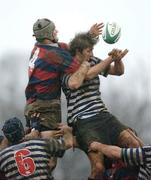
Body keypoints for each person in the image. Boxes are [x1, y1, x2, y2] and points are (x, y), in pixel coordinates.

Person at [61, 32, 143, 180]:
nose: (92, 54)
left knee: (134, 144)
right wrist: (109, 58)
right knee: (98, 169)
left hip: (103, 115)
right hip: (84, 122)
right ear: (78, 51)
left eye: (92, 50)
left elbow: (118, 71)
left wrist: (117, 60)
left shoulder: (93, 61)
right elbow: (80, 79)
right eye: (88, 51)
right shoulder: (67, 68)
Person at [24, 18, 103, 137]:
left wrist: (89, 35)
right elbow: (83, 71)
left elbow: (70, 48)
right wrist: (109, 60)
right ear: (48, 35)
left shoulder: (40, 47)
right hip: (45, 107)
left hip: (33, 104)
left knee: (37, 148)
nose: (57, 31)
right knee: (49, 149)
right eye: (54, 31)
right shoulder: (52, 54)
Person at [0, 117, 73, 180]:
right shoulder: (40, 144)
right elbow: (69, 143)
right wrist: (67, 131)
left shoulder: (3, 157)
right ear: (22, 131)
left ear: (6, 137)